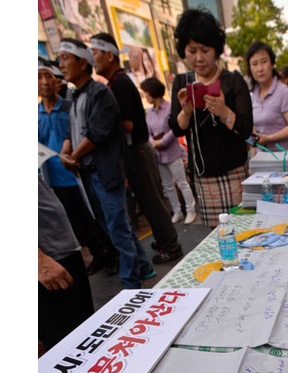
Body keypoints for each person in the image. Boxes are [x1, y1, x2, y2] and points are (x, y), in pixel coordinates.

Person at [57, 38, 154, 289]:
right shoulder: (76, 96)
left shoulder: (100, 92)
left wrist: (73, 156)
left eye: (65, 58)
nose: (61, 64)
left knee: (117, 226)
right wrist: (66, 151)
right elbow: (71, 132)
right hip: (87, 173)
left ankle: (132, 284)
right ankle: (143, 265)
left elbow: (97, 134)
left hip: (105, 172)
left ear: (82, 62)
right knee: (114, 224)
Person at [90, 33, 183, 265]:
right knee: (148, 199)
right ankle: (163, 240)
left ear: (109, 56)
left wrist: (103, 122)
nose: (93, 59)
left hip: (138, 150)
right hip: (134, 151)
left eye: (95, 53)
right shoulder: (115, 82)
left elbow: (130, 124)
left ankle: (171, 245)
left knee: (152, 200)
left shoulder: (120, 83)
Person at [169, 8, 253, 228]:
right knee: (217, 241)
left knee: (244, 231)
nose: (198, 58)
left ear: (216, 50)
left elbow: (245, 129)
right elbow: (177, 129)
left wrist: (224, 112)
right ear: (183, 50)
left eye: (205, 50)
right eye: (192, 50)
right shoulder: (181, 83)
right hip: (204, 178)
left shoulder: (233, 81)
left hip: (235, 173)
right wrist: (186, 111)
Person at [38, 58, 118, 277]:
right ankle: (98, 256)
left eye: (48, 76)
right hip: (53, 180)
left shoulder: (69, 107)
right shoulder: (35, 114)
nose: (44, 82)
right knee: (76, 225)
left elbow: (81, 134)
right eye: (38, 77)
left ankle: (112, 254)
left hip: (77, 174)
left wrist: (71, 155)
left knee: (96, 219)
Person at [39, 173, 94, 352]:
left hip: (62, 248)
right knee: (70, 348)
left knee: (87, 334)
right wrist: (39, 261)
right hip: (47, 262)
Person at [140, 76, 198, 225]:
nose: (145, 96)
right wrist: (154, 143)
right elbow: (147, 132)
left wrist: (162, 142)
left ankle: (190, 209)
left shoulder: (170, 107)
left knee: (181, 182)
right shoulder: (150, 112)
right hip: (158, 156)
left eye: (146, 92)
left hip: (172, 153)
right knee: (167, 186)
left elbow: (175, 128)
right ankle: (177, 211)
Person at [246, 40, 288, 152]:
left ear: (272, 64)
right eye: (254, 64)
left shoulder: (283, 91)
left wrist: (268, 138)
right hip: (261, 160)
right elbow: (255, 127)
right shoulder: (252, 95)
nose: (260, 68)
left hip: (281, 160)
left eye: (264, 61)